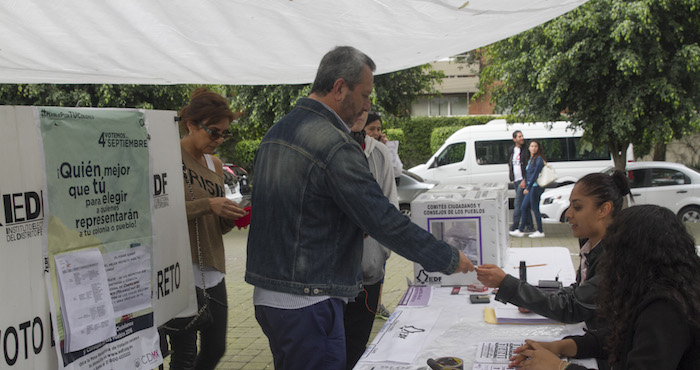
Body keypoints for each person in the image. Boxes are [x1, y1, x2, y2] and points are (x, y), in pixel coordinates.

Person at [245, 46, 474, 370]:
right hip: (309, 300)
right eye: (364, 95)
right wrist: (449, 258)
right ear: (339, 88)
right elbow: (384, 220)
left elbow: (296, 210)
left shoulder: (276, 133)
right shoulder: (335, 144)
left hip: (271, 296)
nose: (368, 105)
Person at [508, 205, 700, 370]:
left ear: (635, 256)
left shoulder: (665, 309)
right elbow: (620, 336)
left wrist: (559, 366)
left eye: (615, 251)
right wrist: (560, 347)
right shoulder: (661, 287)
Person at [477, 170, 631, 332]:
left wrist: (506, 284)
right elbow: (579, 290)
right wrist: (532, 297)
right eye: (570, 205)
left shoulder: (614, 258)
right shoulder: (591, 244)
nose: (568, 214)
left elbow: (572, 307)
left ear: (604, 209)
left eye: (577, 207)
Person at [169, 88, 249, 370]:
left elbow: (215, 221)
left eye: (223, 134)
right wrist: (208, 205)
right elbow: (159, 214)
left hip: (212, 270)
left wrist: (230, 218)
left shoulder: (214, 164)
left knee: (216, 348)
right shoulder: (167, 158)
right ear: (191, 124)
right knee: (184, 355)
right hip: (180, 273)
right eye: (213, 132)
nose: (218, 140)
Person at [344, 111, 398, 369]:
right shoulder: (331, 147)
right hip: (333, 272)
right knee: (335, 342)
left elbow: (390, 204)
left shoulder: (380, 153)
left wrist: (382, 248)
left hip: (369, 265)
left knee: (358, 339)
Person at [509, 140, 545, 238]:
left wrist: (528, 188)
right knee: (524, 207)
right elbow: (528, 174)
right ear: (529, 148)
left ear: (538, 148)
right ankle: (521, 230)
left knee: (534, 208)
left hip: (535, 187)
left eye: (535, 146)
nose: (534, 148)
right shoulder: (531, 159)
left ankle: (540, 231)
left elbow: (535, 175)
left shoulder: (539, 159)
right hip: (530, 187)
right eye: (532, 146)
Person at [364, 112, 403, 179]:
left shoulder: (382, 149)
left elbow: (396, 171)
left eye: (378, 129)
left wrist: (388, 146)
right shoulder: (358, 149)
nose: (376, 133)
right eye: (371, 129)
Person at [507, 130, 533, 232]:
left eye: (522, 136)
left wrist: (525, 179)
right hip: (516, 180)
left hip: (523, 181)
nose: (521, 138)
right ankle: (530, 225)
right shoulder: (511, 150)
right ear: (514, 139)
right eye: (519, 136)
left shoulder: (526, 150)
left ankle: (515, 225)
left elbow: (529, 166)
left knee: (517, 203)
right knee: (524, 204)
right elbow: (510, 163)